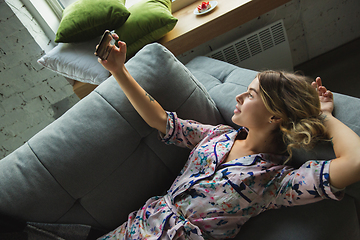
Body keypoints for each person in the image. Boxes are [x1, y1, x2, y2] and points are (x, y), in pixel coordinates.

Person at [96, 34, 360, 240]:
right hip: (137, 226)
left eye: (251, 94)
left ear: (275, 117)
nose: (239, 97)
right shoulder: (218, 136)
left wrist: (325, 117)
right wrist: (119, 70)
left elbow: (354, 163)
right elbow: (161, 120)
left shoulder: (275, 181)